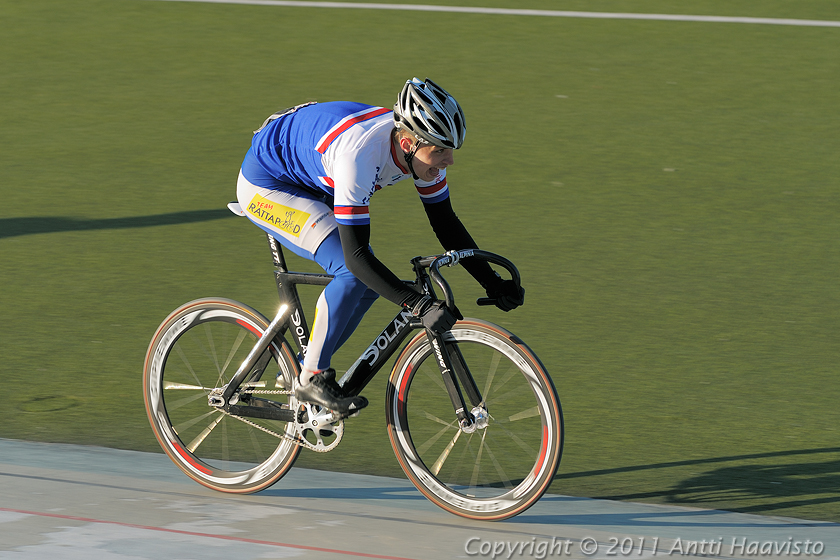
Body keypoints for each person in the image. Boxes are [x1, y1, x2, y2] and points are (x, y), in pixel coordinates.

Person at [236, 77, 524, 415]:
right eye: (441, 151)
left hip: (314, 173)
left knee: (371, 286)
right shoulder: (360, 157)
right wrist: (419, 305)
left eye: (450, 150)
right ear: (406, 142)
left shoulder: (420, 149)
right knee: (353, 272)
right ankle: (310, 377)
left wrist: (490, 281)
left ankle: (304, 362)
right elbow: (356, 259)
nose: (449, 161)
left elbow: (445, 223)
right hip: (269, 184)